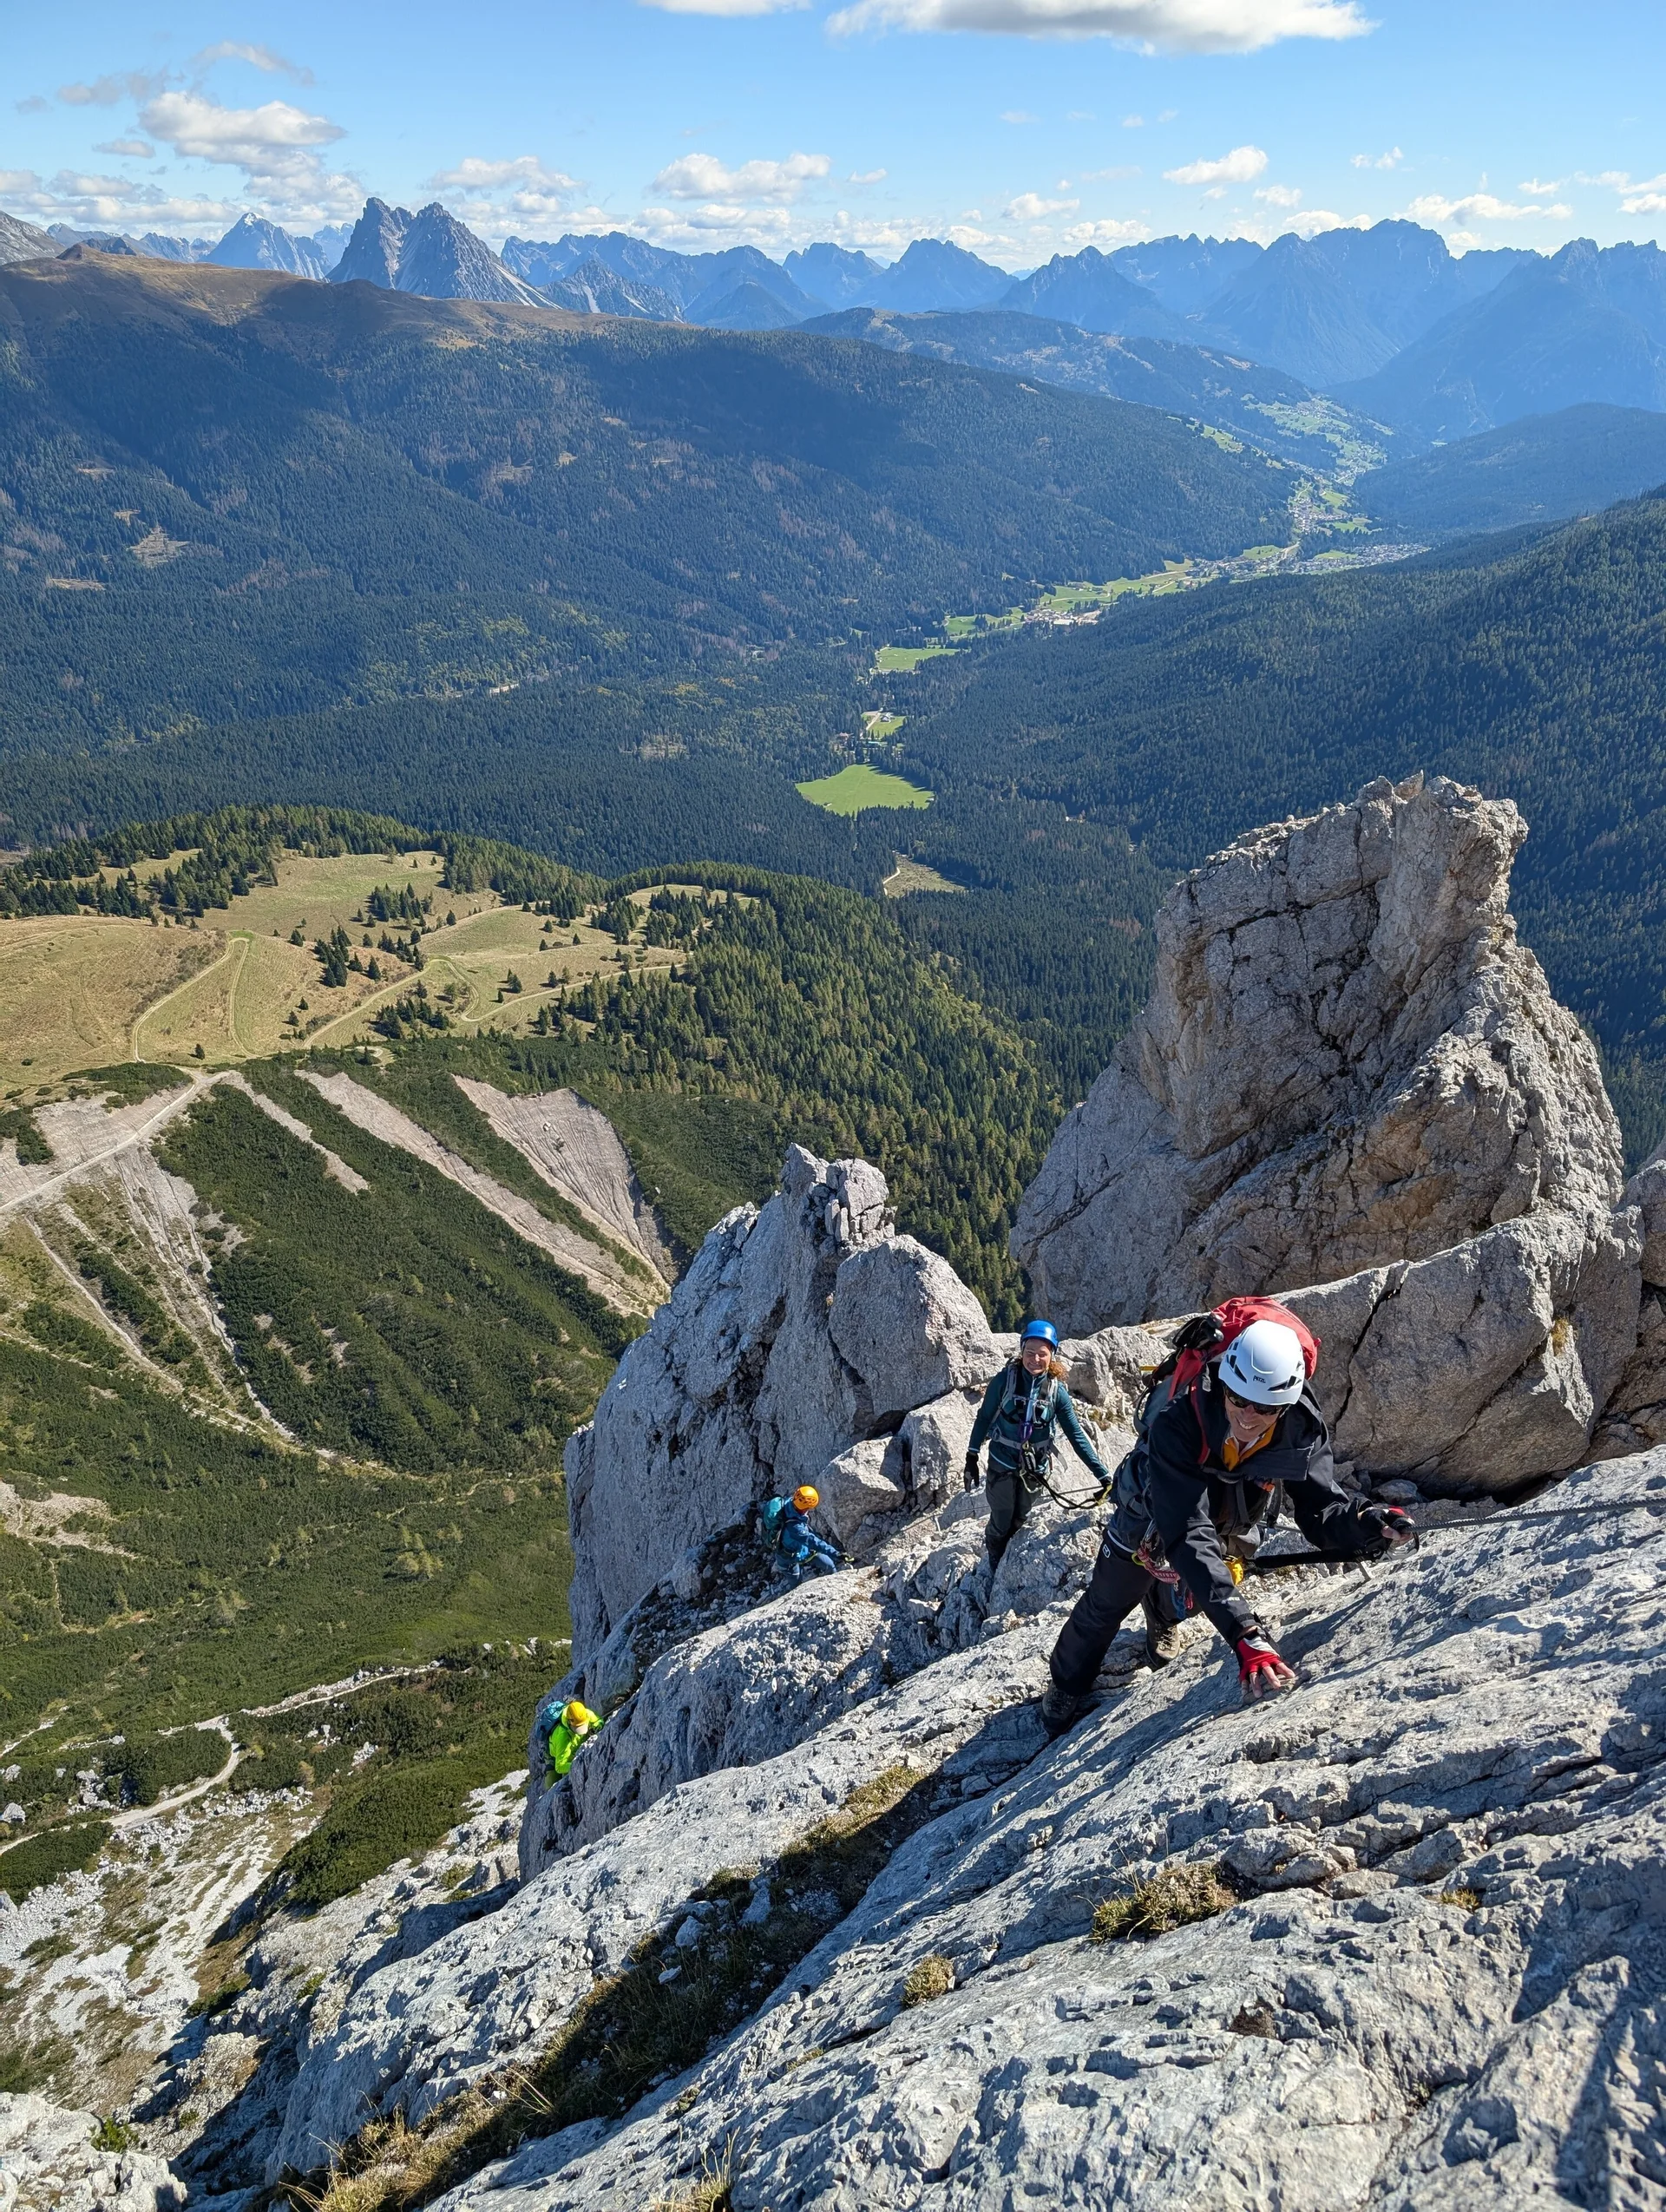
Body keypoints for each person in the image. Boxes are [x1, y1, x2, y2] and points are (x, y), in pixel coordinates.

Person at [1040, 1311, 1414, 1735]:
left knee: (1195, 1591)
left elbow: (1321, 1507)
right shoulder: (1179, 1421)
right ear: (1224, 1385)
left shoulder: (1300, 1428)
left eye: (1267, 1407)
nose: (1249, 1416)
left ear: (1288, 1403)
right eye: (1238, 1399)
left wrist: (1367, 1522)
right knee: (1107, 1601)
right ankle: (1065, 1683)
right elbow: (1185, 1529)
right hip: (1153, 1504)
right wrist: (1244, 1633)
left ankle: (1161, 1616)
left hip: (1231, 1515)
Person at [965, 1320, 1112, 1569]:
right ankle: (995, 1559)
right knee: (1001, 1519)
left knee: (1021, 1517)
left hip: (1035, 1469)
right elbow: (984, 1417)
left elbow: (1076, 1436)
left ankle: (1007, 1561)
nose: (1035, 1359)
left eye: (1042, 1354)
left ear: (1051, 1355)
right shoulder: (1003, 1382)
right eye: (1029, 1352)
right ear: (1021, 1351)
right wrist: (971, 1456)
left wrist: (1104, 1476)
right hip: (1002, 1463)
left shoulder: (1057, 1393)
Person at [760, 1483, 844, 1580]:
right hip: (789, 1556)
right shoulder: (795, 1528)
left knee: (829, 1565)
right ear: (805, 1508)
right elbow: (813, 1541)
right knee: (797, 1585)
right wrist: (836, 1554)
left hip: (792, 1551)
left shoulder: (790, 1502)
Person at [543, 1698, 601, 1782]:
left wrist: (598, 1726)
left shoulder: (585, 1714)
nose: (580, 1731)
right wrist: (578, 1764)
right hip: (557, 1755)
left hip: (574, 1749)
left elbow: (598, 1721)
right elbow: (560, 1767)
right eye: (577, 1727)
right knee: (551, 1782)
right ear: (569, 1722)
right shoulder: (563, 1737)